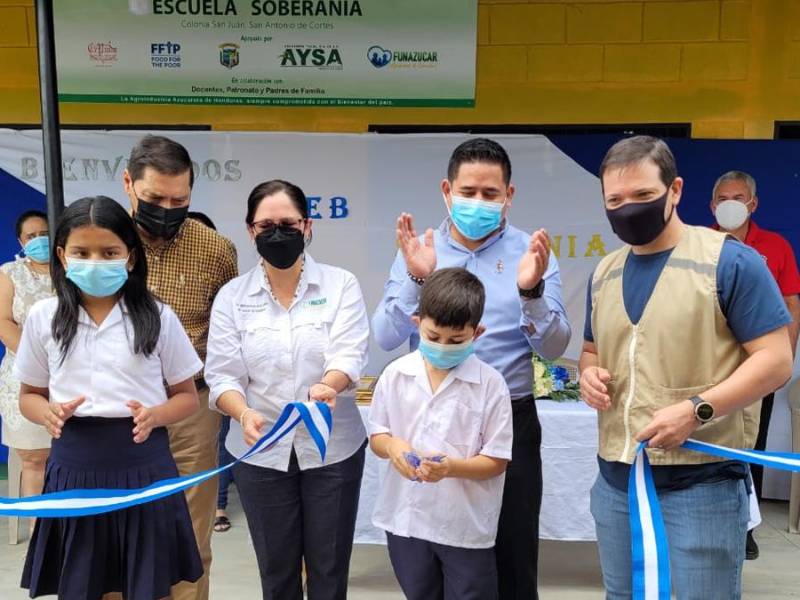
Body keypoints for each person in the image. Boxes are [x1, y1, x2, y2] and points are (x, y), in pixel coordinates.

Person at [580, 136, 794, 599]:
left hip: (702, 481)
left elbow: (777, 360)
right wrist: (587, 376)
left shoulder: (728, 262)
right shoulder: (605, 273)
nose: (627, 209)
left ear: (674, 190)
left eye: (642, 196)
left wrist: (697, 409)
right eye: (614, 200)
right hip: (618, 483)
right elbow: (593, 351)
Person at [372, 137, 571, 600]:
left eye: (490, 194)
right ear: (447, 190)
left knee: (512, 553)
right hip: (429, 418)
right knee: (432, 556)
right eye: (468, 192)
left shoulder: (531, 252)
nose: (477, 203)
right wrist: (418, 279)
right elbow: (383, 336)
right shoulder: (419, 249)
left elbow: (556, 345)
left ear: (509, 195)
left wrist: (530, 293)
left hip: (508, 419)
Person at [15, 196, 203, 600]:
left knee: (147, 584)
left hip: (144, 465)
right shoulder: (43, 317)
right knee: (82, 582)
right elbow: (29, 395)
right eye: (82, 252)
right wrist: (47, 412)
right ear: (62, 256)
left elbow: (187, 397)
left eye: (109, 252)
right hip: (74, 467)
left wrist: (155, 415)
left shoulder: (157, 316)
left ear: (130, 258)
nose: (95, 262)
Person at [205, 179, 370, 600]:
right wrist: (242, 412)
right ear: (250, 231)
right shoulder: (232, 297)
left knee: (329, 568)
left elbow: (349, 356)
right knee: (276, 568)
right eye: (266, 225)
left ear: (307, 225)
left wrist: (327, 388)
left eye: (288, 223)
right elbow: (222, 374)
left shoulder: (340, 285)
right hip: (260, 448)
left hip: (332, 447)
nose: (277, 233)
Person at [122, 135, 238, 600]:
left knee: (190, 535)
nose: (167, 210)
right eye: (154, 199)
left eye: (180, 200)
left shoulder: (216, 249)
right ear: (128, 184)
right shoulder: (103, 241)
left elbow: (227, 332)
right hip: (117, 409)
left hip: (192, 404)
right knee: (118, 531)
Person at [370, 267, 513, 600]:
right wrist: (393, 447)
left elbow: (496, 459)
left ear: (477, 333)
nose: (443, 347)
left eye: (456, 340)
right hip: (406, 519)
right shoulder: (396, 375)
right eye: (433, 337)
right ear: (417, 323)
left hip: (464, 524)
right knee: (418, 592)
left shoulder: (491, 385)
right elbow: (378, 435)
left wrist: (451, 468)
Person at [709, 170, 800, 559]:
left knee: (751, 445)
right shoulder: (698, 244)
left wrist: (785, 358)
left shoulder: (775, 247)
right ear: (713, 206)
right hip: (709, 366)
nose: (731, 203)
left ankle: (745, 527)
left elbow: (792, 304)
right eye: (724, 197)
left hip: (755, 367)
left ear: (753, 203)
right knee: (708, 444)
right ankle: (706, 520)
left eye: (739, 196)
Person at [0, 210, 53, 534]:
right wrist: (37, 361)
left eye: (45, 233)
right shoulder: (10, 273)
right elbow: (4, 322)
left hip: (72, 377)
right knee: (34, 459)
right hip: (23, 378)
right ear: (21, 241)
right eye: (31, 236)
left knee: (74, 460)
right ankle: (41, 536)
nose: (39, 240)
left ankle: (73, 535)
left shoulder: (71, 270)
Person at [187, 210, 236, 533]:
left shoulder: (222, 262)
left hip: (210, 381)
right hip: (151, 397)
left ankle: (219, 504)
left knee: (217, 446)